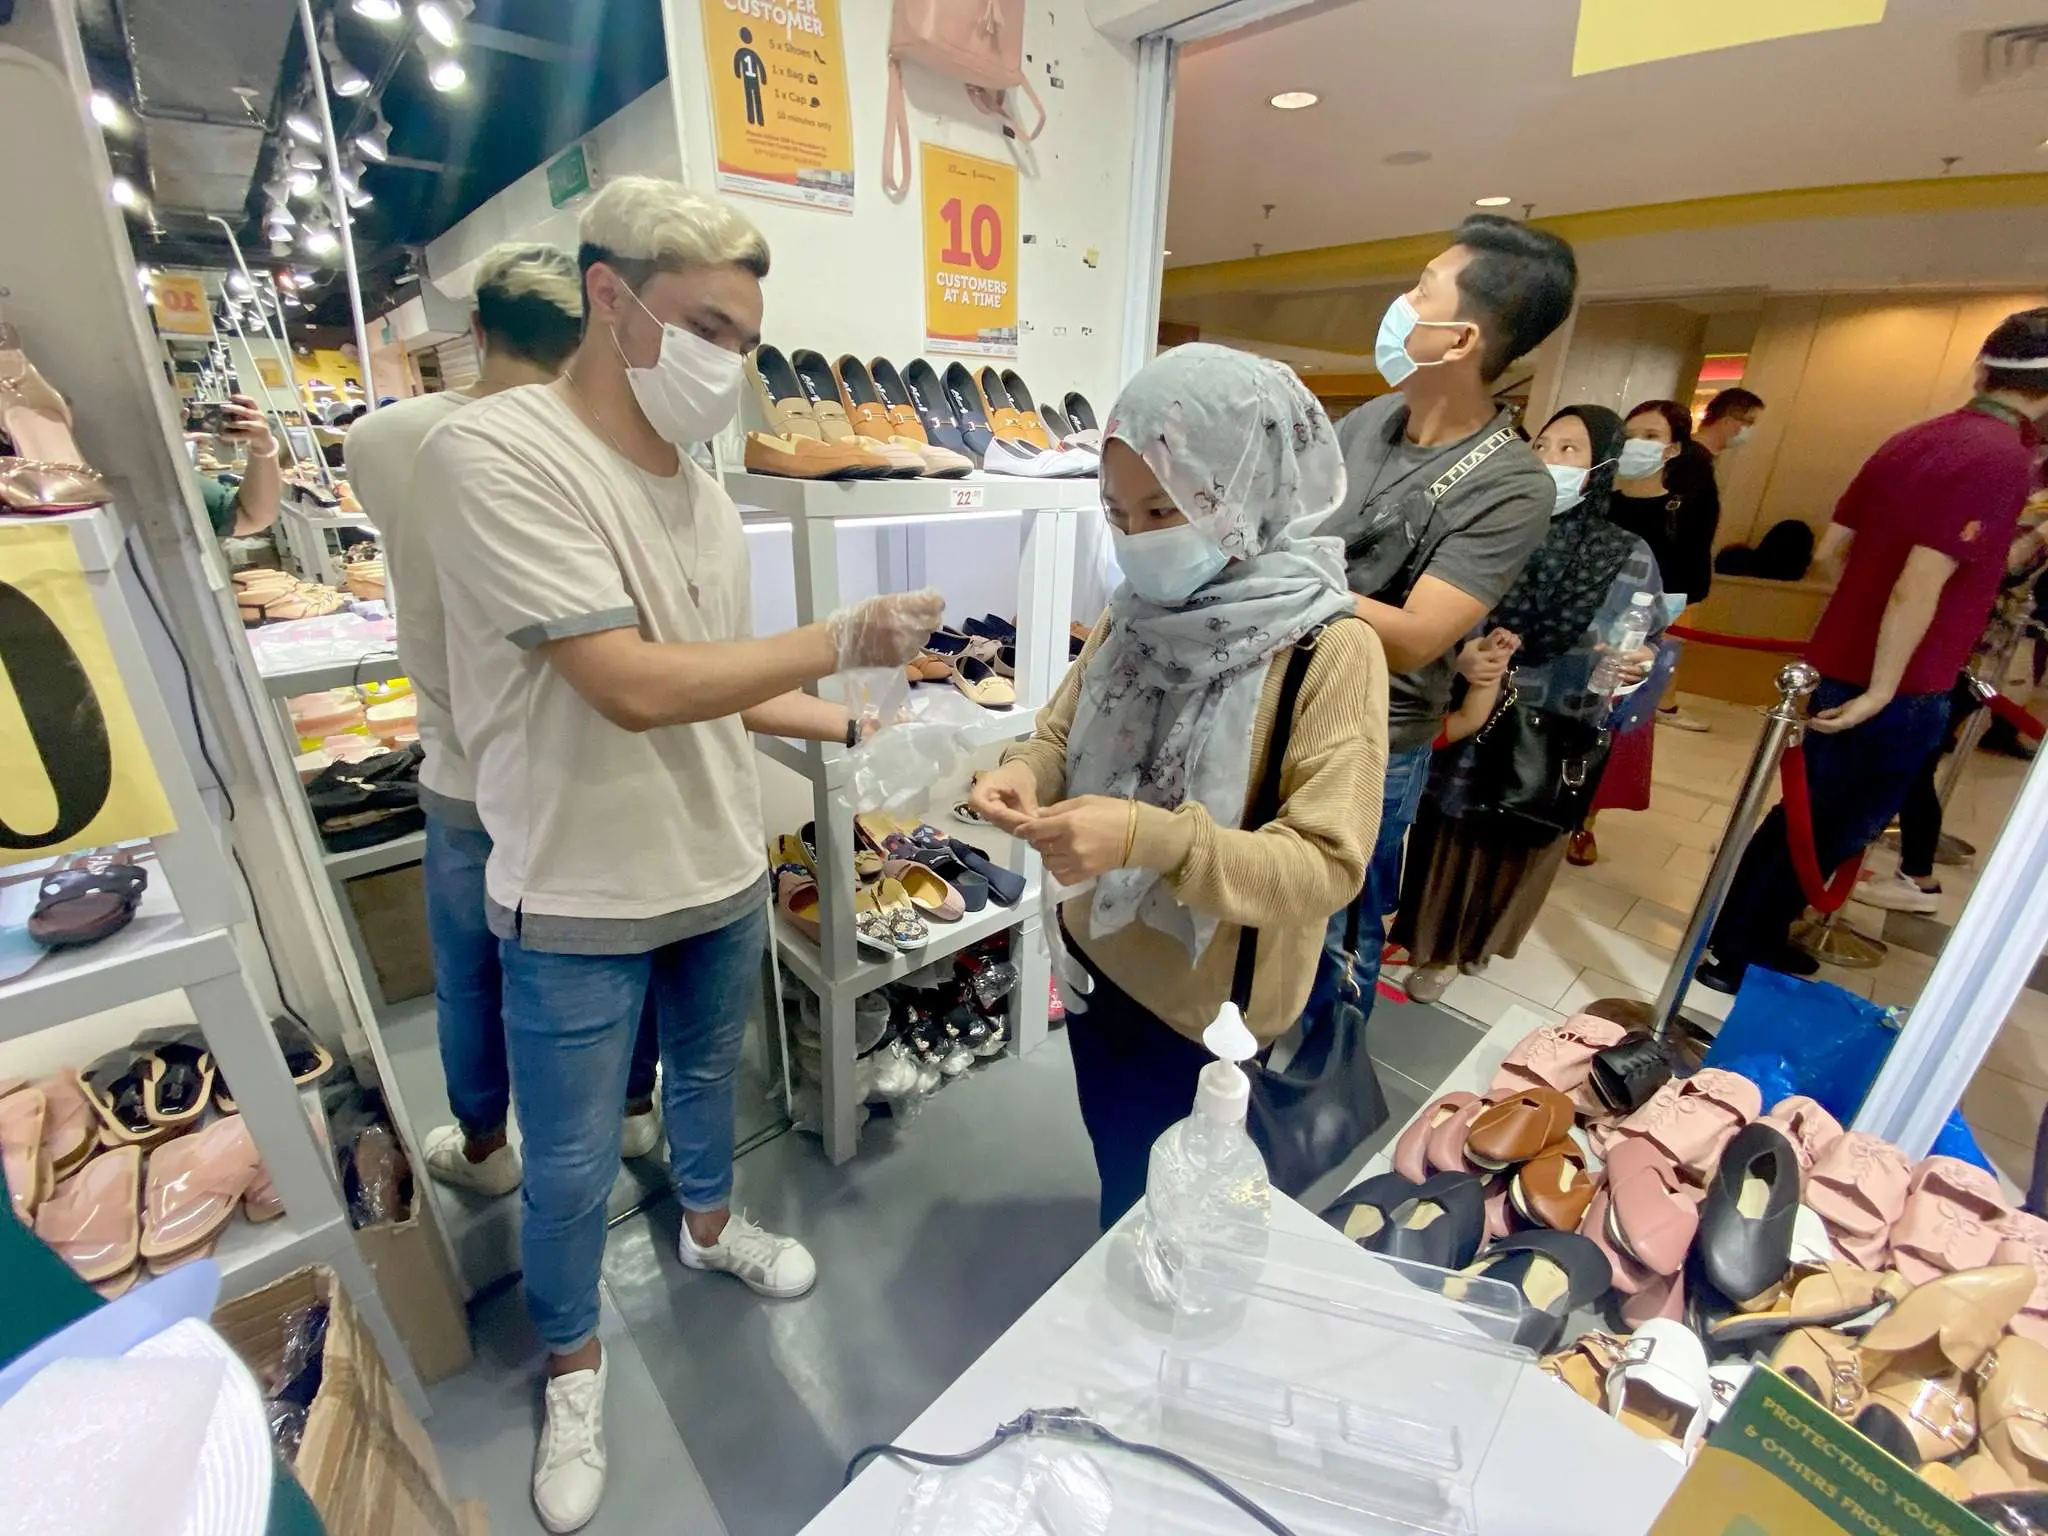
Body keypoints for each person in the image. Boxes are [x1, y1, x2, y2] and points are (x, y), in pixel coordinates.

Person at [412, 176, 942, 1532]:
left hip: (715, 869)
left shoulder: (704, 498)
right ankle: (574, 1364)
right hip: (575, 881)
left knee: (707, 1083)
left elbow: (714, 679)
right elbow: (629, 684)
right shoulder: (495, 455)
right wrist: (839, 638)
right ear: (609, 295)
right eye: (710, 324)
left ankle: (711, 1231)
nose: (734, 362)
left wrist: (861, 725)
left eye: (749, 336)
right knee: (576, 1162)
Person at [969, 344, 1387, 1227]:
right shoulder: (1133, 614)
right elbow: (1057, 729)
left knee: (1189, 1217)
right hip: (1095, 955)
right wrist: (1019, 773)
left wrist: (1151, 840)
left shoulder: (1331, 649)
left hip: (1211, 1014)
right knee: (1121, 1173)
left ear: (1245, 487)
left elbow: (1326, 865)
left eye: (1165, 507)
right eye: (1118, 514)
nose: (1141, 538)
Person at [345, 243, 666, 1201]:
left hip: (462, 766)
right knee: (628, 943)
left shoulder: (386, 439)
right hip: (594, 755)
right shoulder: (604, 445)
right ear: (586, 333)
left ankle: (485, 1148)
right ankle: (636, 1110)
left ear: (475, 328)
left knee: (473, 973)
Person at [1698, 310, 2048, 993]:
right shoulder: (2002, 459)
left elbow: (1835, 552)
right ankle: (1740, 950)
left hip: (1841, 660)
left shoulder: (1915, 438)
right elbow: (1918, 583)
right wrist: (1886, 685)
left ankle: (1744, 940)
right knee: (1831, 826)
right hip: (1897, 681)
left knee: (1803, 816)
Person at [1309, 213, 1578, 1014]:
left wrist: (1281, 576)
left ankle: (1313, 1091)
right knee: (1257, 902)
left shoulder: (1510, 484)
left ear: (1460, 339)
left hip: (1369, 741)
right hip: (1285, 702)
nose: (1401, 302)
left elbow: (1416, 636)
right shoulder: (1364, 425)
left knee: (1334, 930)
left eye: (1422, 289)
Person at [1395, 406, 1663, 1002]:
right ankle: (1432, 946)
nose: (1551, 459)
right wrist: (1461, 656)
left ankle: (1482, 943)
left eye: (1570, 449)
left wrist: (1633, 664)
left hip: (1560, 723)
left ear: (1601, 468)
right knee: (1451, 830)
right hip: (1476, 713)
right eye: (1543, 443)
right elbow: (1434, 614)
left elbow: (1645, 643)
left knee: (1522, 834)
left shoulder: (1627, 553)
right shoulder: (1494, 528)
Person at [1608, 398, 1719, 736]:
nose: (1637, 443)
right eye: (1631, 435)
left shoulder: (1687, 499)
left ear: (1672, 449)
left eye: (1650, 436)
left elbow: (1691, 558)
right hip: (1603, 606)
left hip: (1660, 608)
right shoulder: (1605, 495)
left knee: (1634, 700)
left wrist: (1669, 612)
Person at [193, 394, 282, 537]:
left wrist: (263, 448)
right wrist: (263, 448)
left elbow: (251, 516)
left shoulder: (170, 478)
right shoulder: (167, 479)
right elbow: (252, 517)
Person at [1694, 386, 1765, 461]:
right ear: (1727, 422)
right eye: (1749, 422)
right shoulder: (1692, 457)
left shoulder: (1707, 457)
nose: (1751, 428)